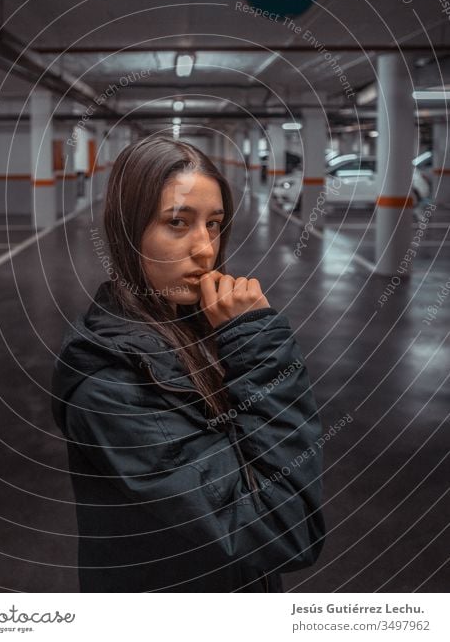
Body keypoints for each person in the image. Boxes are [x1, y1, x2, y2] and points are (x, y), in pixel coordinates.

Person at [51, 134, 326, 592]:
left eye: (214, 224)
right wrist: (261, 347)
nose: (206, 249)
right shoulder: (112, 387)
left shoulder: (191, 329)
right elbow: (284, 530)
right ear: (126, 230)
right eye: (178, 222)